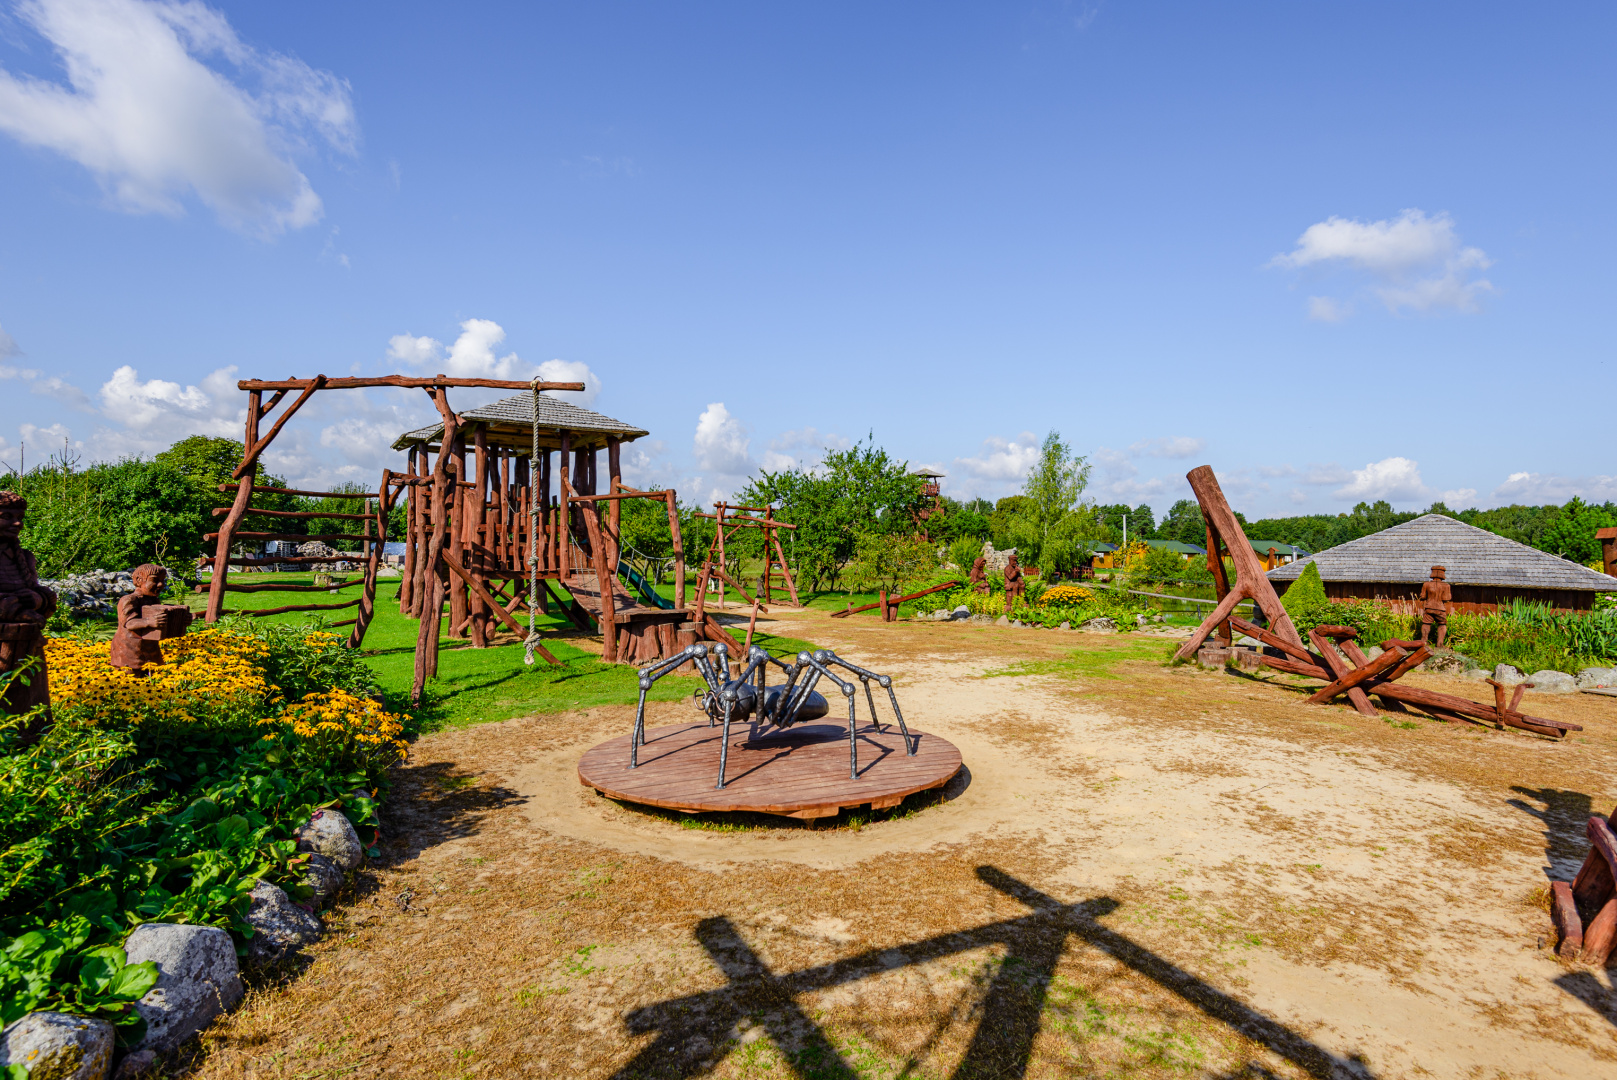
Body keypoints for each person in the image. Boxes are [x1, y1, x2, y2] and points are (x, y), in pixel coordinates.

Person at [0, 491, 56, 732]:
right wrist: (15, 608)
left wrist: (36, 599)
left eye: (20, 517)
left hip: (28, 650)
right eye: (6, 516)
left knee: (31, 709)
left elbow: (44, 600)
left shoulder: (24, 558)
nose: (17, 523)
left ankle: (35, 752)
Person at [111, 564, 191, 673]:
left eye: (162, 581)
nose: (160, 585)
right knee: (129, 681)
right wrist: (150, 622)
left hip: (150, 649)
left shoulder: (154, 601)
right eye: (155, 580)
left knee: (152, 678)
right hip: (128, 650)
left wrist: (182, 620)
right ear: (139, 580)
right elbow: (129, 623)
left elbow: (161, 622)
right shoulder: (129, 600)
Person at [1418, 565, 1452, 648]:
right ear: (1442, 574)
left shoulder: (1426, 584)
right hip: (1440, 609)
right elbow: (1447, 598)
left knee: (1426, 624)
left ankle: (1424, 641)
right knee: (1442, 624)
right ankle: (1440, 644)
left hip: (1429, 607)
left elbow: (1422, 596)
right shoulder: (1446, 586)